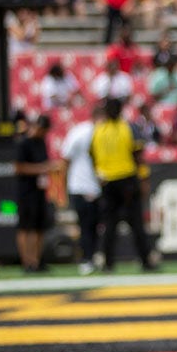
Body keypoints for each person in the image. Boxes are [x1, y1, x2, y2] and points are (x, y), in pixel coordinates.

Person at [91, 97, 155, 272]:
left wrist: (99, 174)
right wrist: (144, 178)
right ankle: (145, 260)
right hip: (127, 179)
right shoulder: (129, 127)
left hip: (108, 181)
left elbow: (93, 156)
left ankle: (108, 262)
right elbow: (138, 156)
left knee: (110, 224)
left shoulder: (98, 130)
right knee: (135, 222)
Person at [62, 104, 103, 275]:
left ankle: (92, 257)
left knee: (95, 225)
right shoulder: (80, 133)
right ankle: (86, 259)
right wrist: (65, 185)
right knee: (85, 225)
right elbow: (66, 159)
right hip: (80, 186)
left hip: (97, 187)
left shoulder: (103, 134)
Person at [14, 114, 53, 273]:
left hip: (39, 191)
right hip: (26, 192)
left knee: (39, 227)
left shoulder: (41, 143)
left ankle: (37, 260)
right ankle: (27, 262)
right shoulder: (23, 143)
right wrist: (43, 168)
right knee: (26, 227)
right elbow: (18, 168)